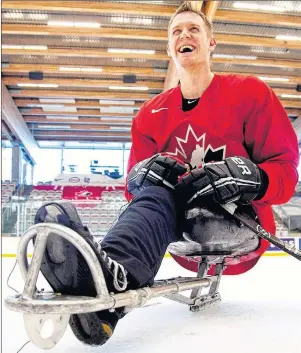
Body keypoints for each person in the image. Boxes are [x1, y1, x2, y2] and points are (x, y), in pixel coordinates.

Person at [35, 2, 299, 348]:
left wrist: (249, 176)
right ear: (169, 46)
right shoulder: (149, 114)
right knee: (156, 193)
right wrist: (142, 175)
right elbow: (136, 192)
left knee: (167, 197)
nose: (184, 35)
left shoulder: (250, 93)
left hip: (237, 222)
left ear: (211, 42)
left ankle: (109, 281)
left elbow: (285, 172)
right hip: (176, 230)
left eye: (193, 29)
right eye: (176, 31)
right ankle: (109, 286)